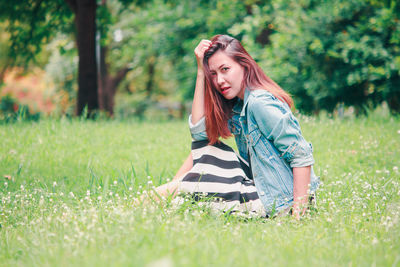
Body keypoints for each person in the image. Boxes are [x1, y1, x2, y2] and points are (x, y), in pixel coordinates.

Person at [151, 34, 319, 219]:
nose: (219, 80)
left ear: (244, 65)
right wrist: (201, 72)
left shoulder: (259, 102)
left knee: (184, 198)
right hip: (263, 192)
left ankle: (160, 196)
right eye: (213, 74)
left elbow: (300, 154)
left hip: (279, 202)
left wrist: (298, 216)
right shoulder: (239, 107)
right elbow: (200, 135)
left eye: (225, 69)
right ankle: (173, 191)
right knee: (206, 150)